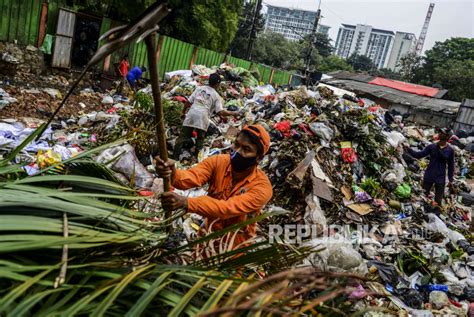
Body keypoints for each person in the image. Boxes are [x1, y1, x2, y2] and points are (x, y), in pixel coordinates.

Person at [156, 124, 273, 250]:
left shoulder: (262, 188)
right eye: (236, 144)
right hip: (207, 239)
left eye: (246, 149)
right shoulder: (218, 162)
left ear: (259, 158)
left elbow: (227, 209)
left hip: (234, 248)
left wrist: (187, 203)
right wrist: (172, 172)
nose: (237, 151)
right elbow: (190, 177)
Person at [173, 73, 240, 159]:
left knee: (182, 136)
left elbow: (188, 102)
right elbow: (220, 112)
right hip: (203, 116)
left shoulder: (199, 89)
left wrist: (183, 112)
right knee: (200, 138)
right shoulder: (216, 95)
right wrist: (233, 113)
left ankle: (174, 157)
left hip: (192, 113)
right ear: (218, 84)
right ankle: (196, 157)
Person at [404, 128, 455, 205]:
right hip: (429, 174)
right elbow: (419, 155)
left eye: (442, 133)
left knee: (438, 200)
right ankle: (422, 212)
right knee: (423, 196)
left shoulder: (450, 150)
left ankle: (435, 214)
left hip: (440, 177)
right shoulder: (431, 146)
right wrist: (409, 150)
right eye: (440, 132)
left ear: (448, 136)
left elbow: (451, 166)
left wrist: (451, 180)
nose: (440, 134)